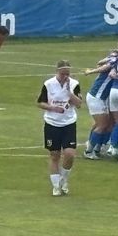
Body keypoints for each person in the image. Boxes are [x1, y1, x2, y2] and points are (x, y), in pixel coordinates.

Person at [37, 60, 82, 196]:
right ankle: (56, 186)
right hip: (52, 123)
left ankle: (64, 179)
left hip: (69, 123)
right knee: (54, 155)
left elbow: (79, 103)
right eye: (63, 74)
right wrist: (52, 108)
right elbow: (40, 102)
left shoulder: (74, 84)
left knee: (69, 154)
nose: (65, 77)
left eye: (67, 74)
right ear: (57, 72)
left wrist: (69, 92)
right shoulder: (48, 84)